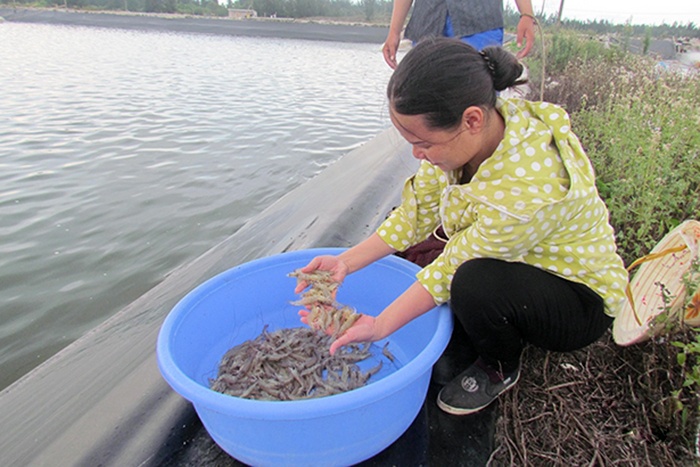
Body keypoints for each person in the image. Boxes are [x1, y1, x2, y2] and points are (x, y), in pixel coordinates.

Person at [295, 38, 629, 415]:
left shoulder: (530, 188)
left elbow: (451, 269)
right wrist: (347, 262)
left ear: (471, 119)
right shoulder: (475, 134)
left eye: (423, 143)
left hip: (579, 299)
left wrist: (380, 325)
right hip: (520, 259)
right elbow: (415, 212)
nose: (416, 154)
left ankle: (500, 367)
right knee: (429, 252)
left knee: (471, 282)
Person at [382, 0, 537, 69]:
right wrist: (394, 32)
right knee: (427, 100)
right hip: (428, 23)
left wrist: (526, 14)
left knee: (480, 97)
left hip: (480, 21)